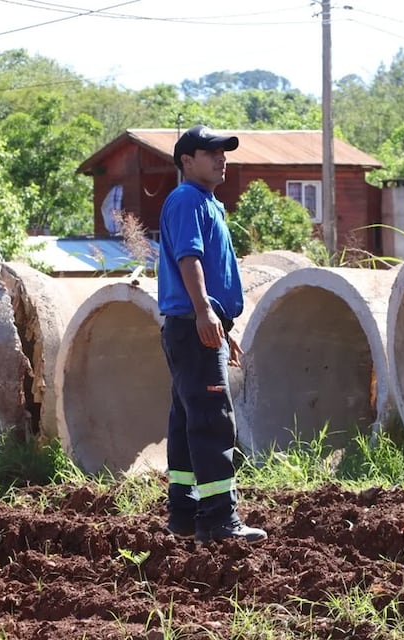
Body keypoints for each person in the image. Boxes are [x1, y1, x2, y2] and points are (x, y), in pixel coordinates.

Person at [157, 124, 267, 544]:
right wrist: (204, 312)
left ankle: (185, 515)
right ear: (187, 161)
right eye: (212, 152)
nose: (222, 159)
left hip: (195, 326)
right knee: (212, 420)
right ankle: (220, 520)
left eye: (224, 152)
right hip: (193, 323)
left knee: (188, 419)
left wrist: (219, 323)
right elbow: (190, 259)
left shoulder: (205, 202)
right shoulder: (188, 199)